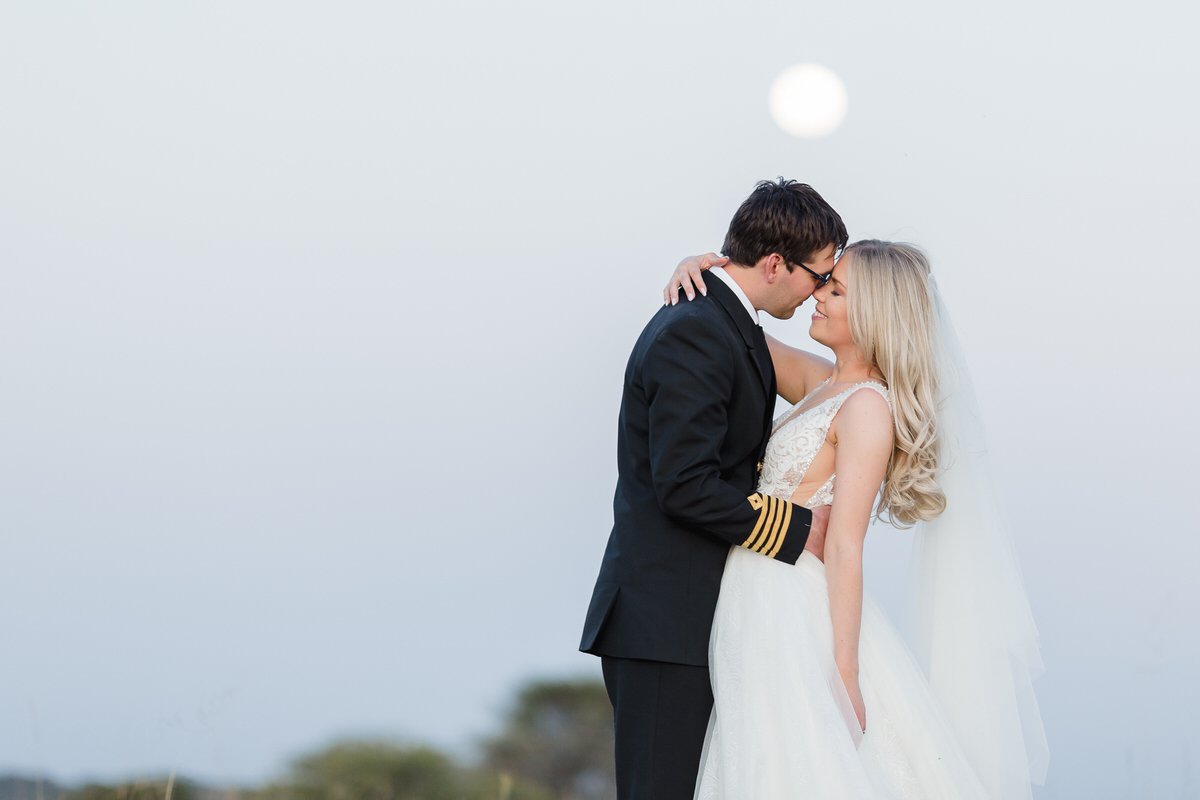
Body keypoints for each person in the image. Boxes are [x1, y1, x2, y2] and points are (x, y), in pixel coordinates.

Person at [665, 241, 1048, 798]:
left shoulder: (868, 408)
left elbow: (845, 545)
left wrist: (844, 671)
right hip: (754, 591)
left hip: (790, 605)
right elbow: (736, 327)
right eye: (825, 283)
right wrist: (697, 269)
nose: (817, 295)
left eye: (836, 290)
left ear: (875, 315)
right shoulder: (822, 383)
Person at [578, 179, 847, 800]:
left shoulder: (727, 321)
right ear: (777, 264)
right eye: (817, 277)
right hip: (664, 621)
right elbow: (685, 485)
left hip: (697, 617)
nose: (816, 295)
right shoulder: (697, 330)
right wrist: (806, 530)